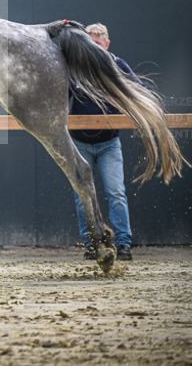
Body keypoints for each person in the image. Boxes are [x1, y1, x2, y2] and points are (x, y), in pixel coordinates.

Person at [70, 22, 137, 262]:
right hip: (79, 145)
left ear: (106, 45)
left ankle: (123, 244)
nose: (93, 49)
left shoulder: (117, 65)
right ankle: (91, 245)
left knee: (116, 193)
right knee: (82, 196)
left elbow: (139, 91)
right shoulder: (74, 69)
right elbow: (58, 98)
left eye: (97, 44)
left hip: (109, 143)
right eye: (89, 44)